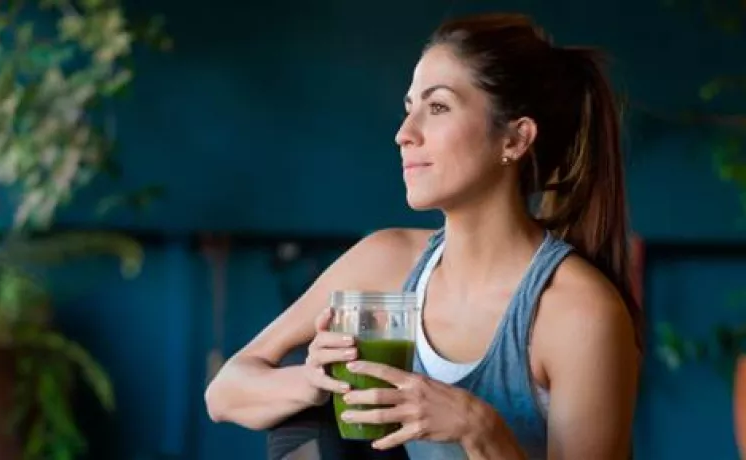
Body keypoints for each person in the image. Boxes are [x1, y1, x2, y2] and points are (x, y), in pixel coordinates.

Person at [205, 12, 642, 460]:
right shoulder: (385, 262)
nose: (404, 134)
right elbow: (224, 392)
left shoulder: (576, 313)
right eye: (409, 108)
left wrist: (481, 430)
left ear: (515, 139)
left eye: (437, 108)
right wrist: (314, 382)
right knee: (308, 421)